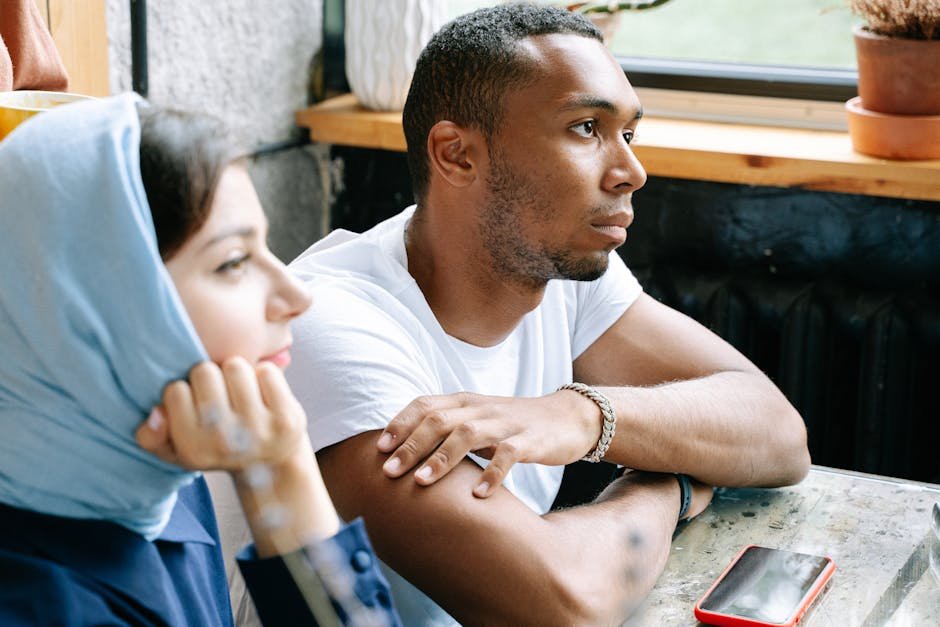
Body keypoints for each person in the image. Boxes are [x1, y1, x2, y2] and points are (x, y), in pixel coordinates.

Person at [287, 4, 811, 625]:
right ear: (456, 154)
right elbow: (564, 604)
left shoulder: (557, 266)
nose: (631, 172)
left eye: (629, 133)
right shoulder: (333, 328)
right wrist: (668, 485)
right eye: (587, 127)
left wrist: (585, 414)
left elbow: (780, 434)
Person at [0, 93, 399, 626]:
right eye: (233, 262)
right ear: (96, 310)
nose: (296, 296)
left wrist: (278, 467)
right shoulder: (36, 604)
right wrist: (281, 479)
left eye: (265, 247)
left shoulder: (162, 473)